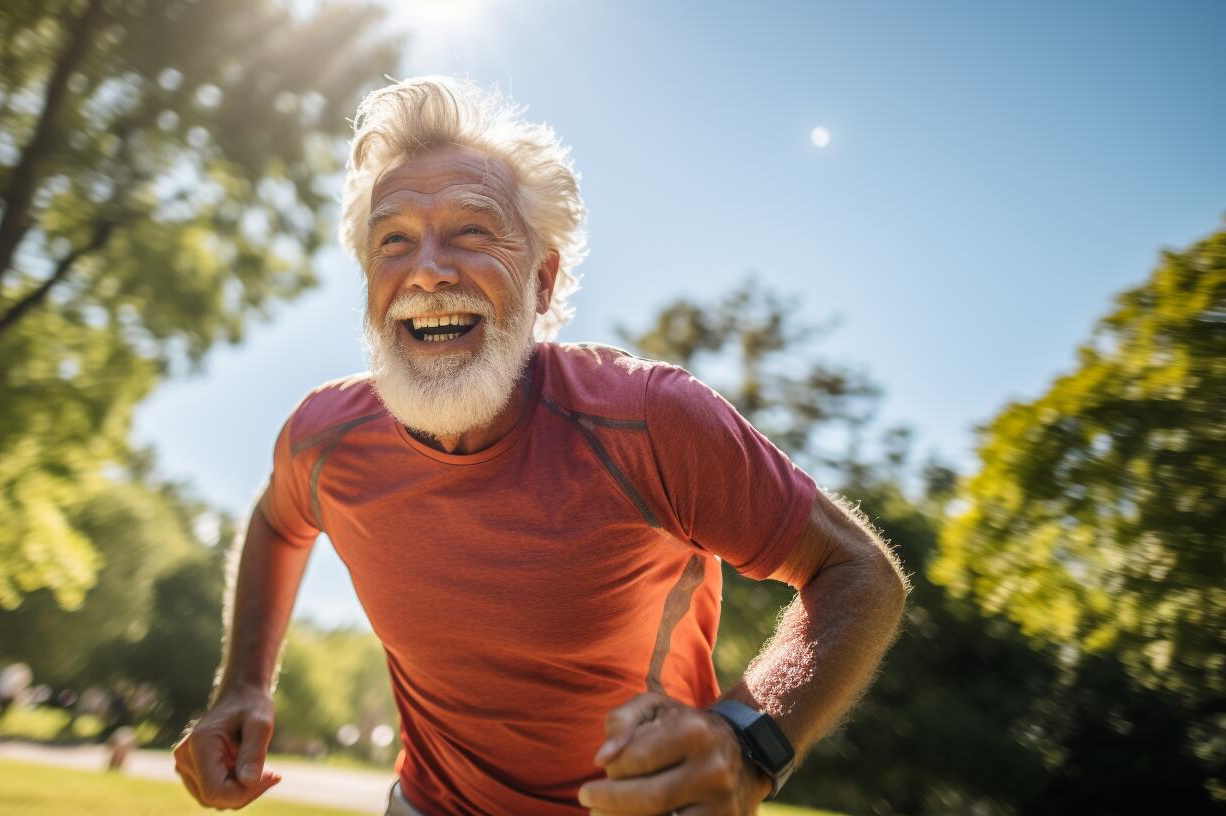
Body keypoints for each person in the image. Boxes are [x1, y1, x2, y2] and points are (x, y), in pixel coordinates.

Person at [174, 76, 908, 816]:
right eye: (393, 240)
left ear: (543, 282)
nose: (426, 270)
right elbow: (277, 521)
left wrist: (749, 742)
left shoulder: (649, 420)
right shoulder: (324, 438)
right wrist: (242, 683)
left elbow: (859, 572)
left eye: (471, 230)